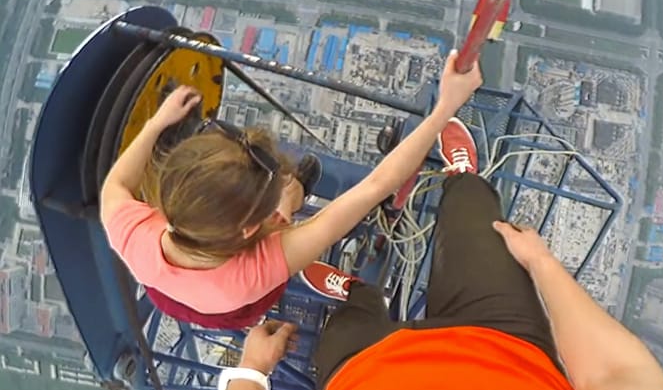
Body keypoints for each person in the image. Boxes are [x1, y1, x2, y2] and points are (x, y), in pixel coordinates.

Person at [194, 119, 663, 390]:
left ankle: (354, 290)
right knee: (475, 222)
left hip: (360, 381)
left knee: (356, 307)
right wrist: (542, 266)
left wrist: (251, 373)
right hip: (504, 353)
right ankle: (462, 177)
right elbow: (619, 382)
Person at [100, 51, 482, 329]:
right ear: (252, 228)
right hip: (236, 300)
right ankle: (294, 196)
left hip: (183, 299)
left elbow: (116, 185)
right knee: (291, 206)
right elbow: (377, 184)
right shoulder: (257, 270)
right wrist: (445, 108)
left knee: (292, 220)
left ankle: (298, 208)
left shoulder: (130, 233)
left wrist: (156, 124)